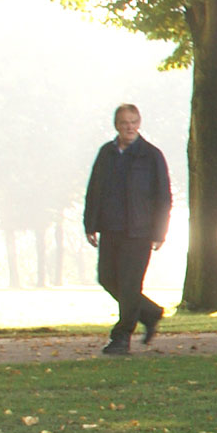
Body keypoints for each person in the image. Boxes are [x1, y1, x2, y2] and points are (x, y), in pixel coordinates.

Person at [84, 104, 171, 356]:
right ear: (116, 125)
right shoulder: (106, 153)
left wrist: (159, 231)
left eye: (133, 122)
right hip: (111, 229)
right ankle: (150, 313)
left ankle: (121, 337)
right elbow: (94, 190)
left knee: (130, 284)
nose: (129, 127)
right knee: (107, 279)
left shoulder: (151, 155)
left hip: (139, 231)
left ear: (139, 122)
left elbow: (163, 196)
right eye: (124, 122)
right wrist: (91, 224)